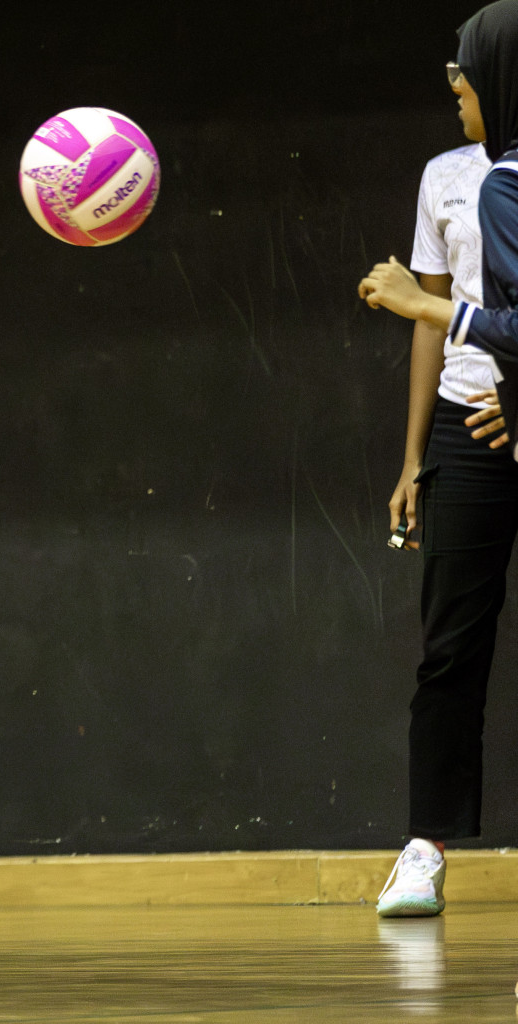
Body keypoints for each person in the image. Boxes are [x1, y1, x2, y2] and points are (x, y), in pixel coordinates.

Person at [360, 0, 518, 924]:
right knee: (451, 642)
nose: (453, 86)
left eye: (463, 70)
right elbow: (436, 313)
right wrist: (415, 454)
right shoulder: (449, 176)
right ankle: (425, 847)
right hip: (469, 424)